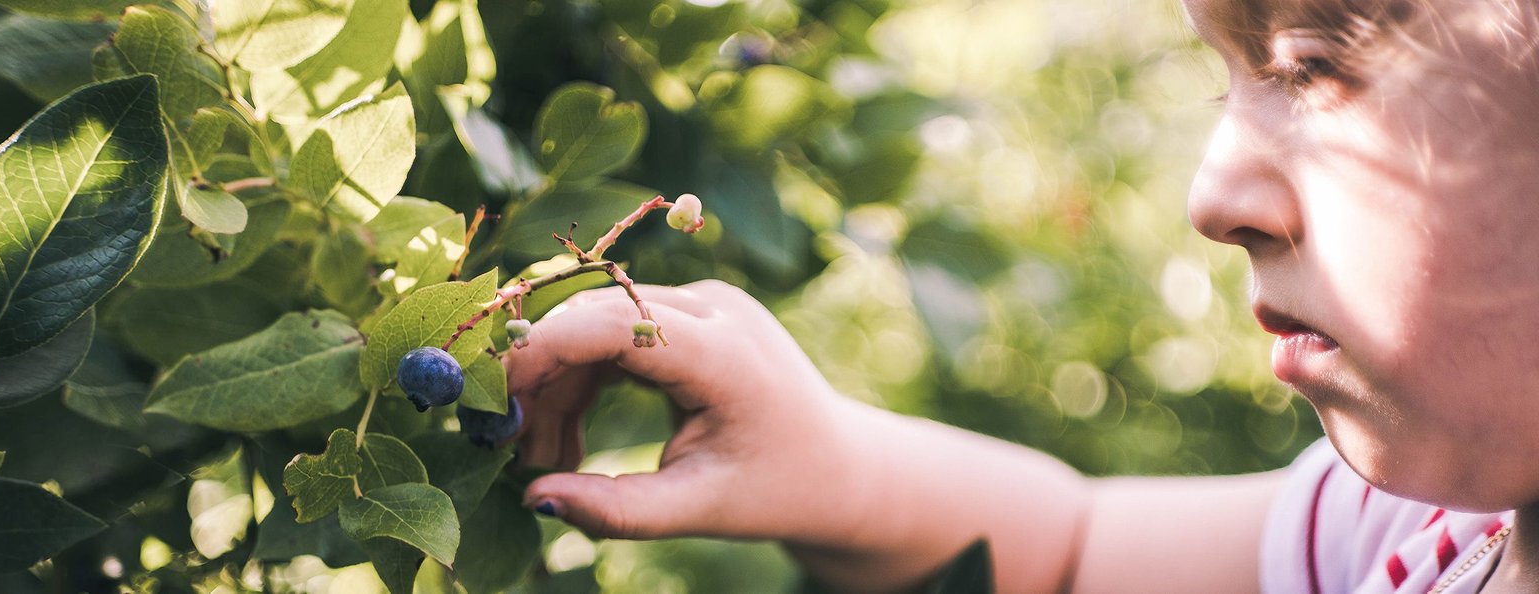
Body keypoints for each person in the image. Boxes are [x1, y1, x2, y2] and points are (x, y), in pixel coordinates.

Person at [502, 0, 1539, 591]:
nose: (1212, 196)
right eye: (1228, 84)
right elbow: (1072, 553)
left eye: (1313, 68)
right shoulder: (1403, 533)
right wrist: (825, 458)